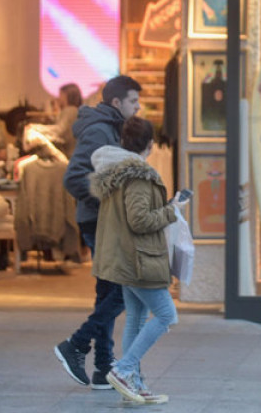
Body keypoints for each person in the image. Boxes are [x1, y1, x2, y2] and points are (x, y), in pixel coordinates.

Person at [54, 75, 141, 390]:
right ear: (117, 103)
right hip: (98, 221)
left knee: (108, 291)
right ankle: (76, 344)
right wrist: (110, 196)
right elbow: (73, 177)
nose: (138, 107)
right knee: (123, 289)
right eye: (133, 101)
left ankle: (103, 368)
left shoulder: (112, 128)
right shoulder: (100, 131)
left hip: (104, 221)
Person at [90, 117, 179, 405]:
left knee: (137, 319)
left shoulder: (116, 172)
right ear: (150, 144)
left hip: (125, 257)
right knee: (166, 315)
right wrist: (171, 211)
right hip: (139, 259)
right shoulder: (139, 175)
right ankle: (124, 369)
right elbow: (139, 220)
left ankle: (135, 386)